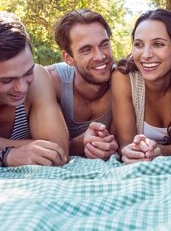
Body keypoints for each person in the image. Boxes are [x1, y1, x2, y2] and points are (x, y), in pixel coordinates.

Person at [0, 11, 69, 168]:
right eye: (7, 80)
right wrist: (8, 156)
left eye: (27, 73)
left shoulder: (38, 78)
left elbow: (57, 152)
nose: (21, 88)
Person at [112, 9, 171, 164]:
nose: (146, 54)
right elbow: (126, 143)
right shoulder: (124, 79)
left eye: (158, 44)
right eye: (139, 45)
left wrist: (161, 151)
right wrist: (132, 151)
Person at [46, 9, 118, 159]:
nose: (100, 56)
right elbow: (45, 146)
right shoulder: (52, 81)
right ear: (68, 58)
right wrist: (80, 143)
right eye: (86, 50)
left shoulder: (121, 81)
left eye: (104, 45)